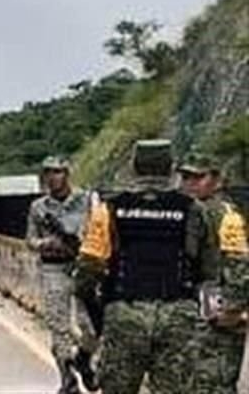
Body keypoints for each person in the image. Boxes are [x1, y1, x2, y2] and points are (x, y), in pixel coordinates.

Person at [74, 139, 246, 394]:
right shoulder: (195, 209)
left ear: (133, 167)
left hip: (124, 314)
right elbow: (211, 268)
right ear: (170, 168)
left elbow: (89, 266)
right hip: (179, 317)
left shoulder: (109, 207)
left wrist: (96, 307)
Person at [26, 155, 99, 394]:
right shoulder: (39, 207)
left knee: (91, 326)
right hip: (54, 268)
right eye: (47, 172)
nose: (52, 178)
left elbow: (99, 229)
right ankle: (67, 379)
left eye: (57, 172)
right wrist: (47, 243)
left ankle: (83, 359)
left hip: (82, 267)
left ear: (67, 174)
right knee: (59, 327)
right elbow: (30, 240)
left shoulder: (87, 200)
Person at [179, 151, 249, 394]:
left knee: (216, 383)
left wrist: (232, 310)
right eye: (186, 177)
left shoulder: (223, 215)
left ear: (217, 180)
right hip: (200, 307)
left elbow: (240, 265)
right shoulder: (197, 210)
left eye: (198, 177)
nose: (189, 183)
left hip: (219, 310)